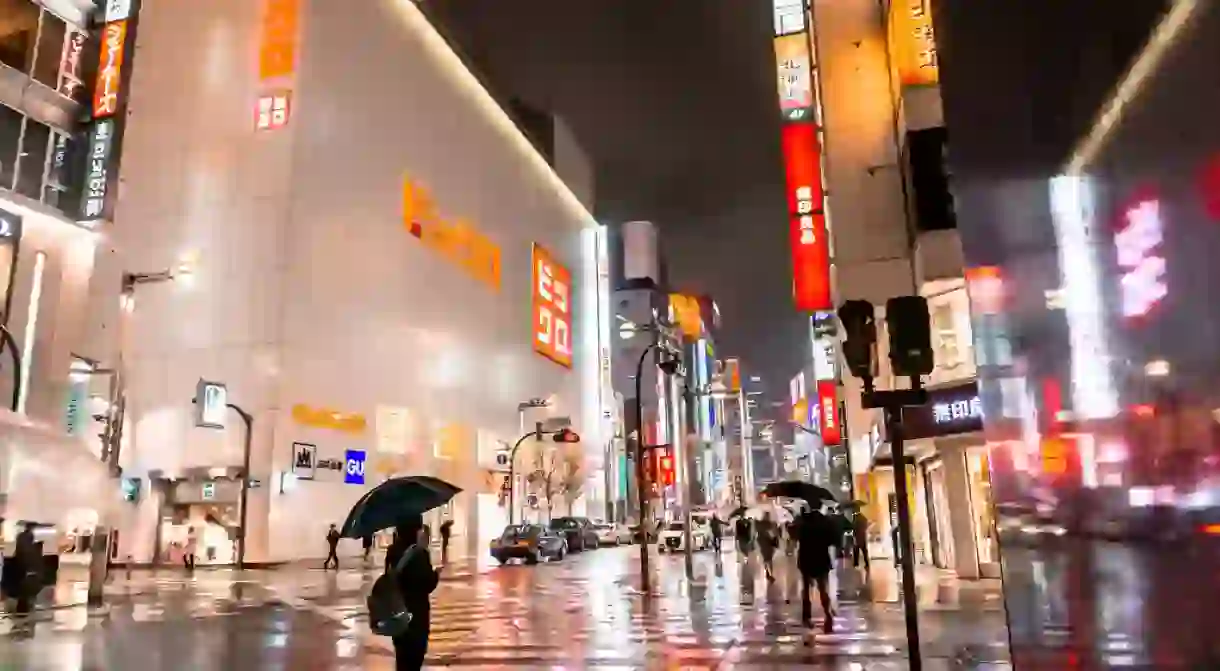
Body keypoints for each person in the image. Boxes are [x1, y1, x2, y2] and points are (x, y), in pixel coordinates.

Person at [386, 514, 441, 670]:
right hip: (416, 615)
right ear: (416, 529)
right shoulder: (420, 554)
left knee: (401, 659)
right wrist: (436, 574)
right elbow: (427, 584)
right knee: (414, 660)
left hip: (397, 612)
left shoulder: (392, 550)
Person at [796, 509, 841, 633]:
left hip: (806, 559)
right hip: (821, 559)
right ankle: (827, 613)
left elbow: (797, 538)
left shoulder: (804, 524)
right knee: (823, 589)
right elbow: (833, 540)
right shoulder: (824, 524)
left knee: (806, 590)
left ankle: (807, 617)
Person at [12, 522, 41, 616]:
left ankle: (22, 610)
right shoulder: (27, 539)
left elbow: (19, 553)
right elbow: (27, 555)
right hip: (26, 569)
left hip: (22, 568)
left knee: (23, 592)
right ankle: (24, 610)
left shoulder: (21, 537)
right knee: (26, 591)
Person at [756, 512, 779, 581]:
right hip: (768, 544)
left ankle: (768, 574)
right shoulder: (771, 524)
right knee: (768, 559)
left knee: (766, 559)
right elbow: (775, 534)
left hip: (764, 544)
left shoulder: (759, 524)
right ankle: (769, 574)